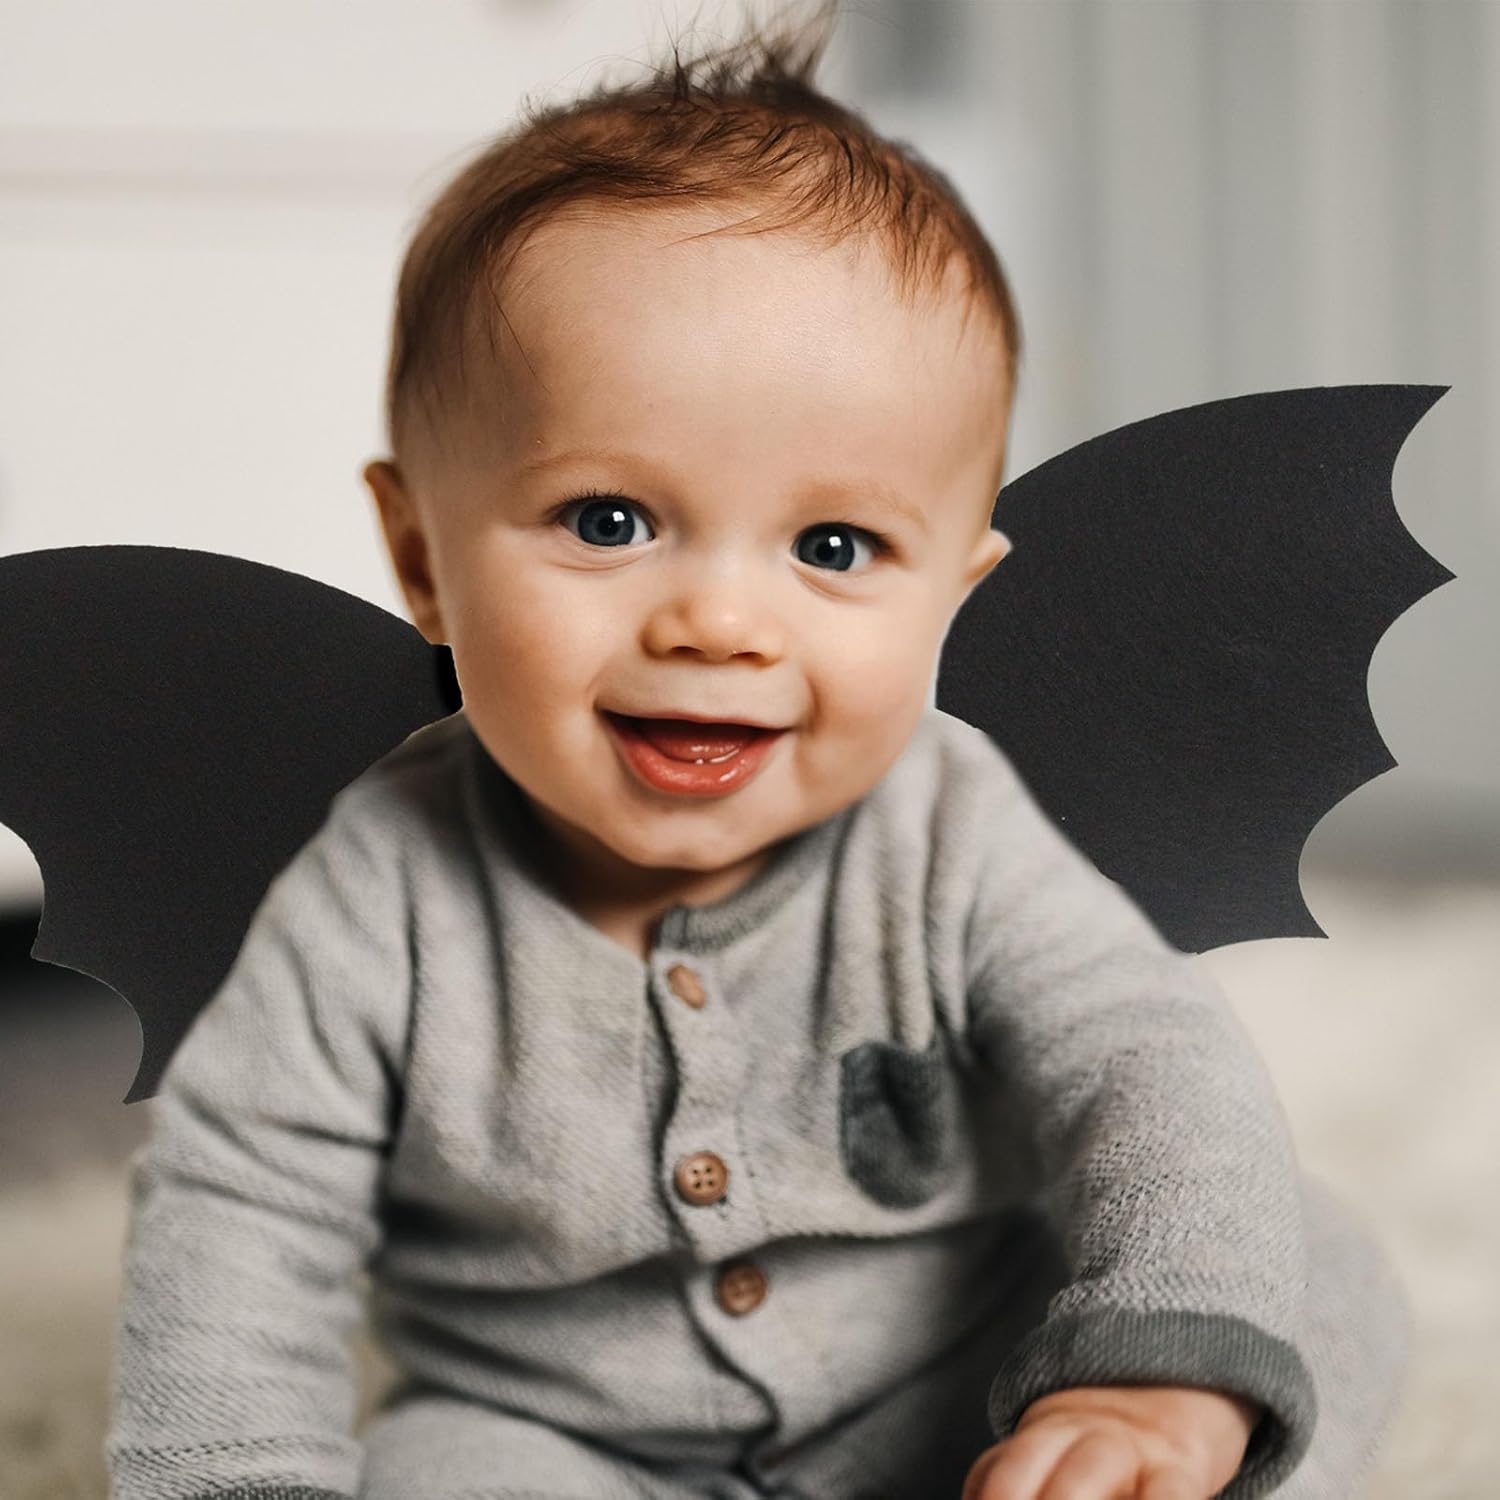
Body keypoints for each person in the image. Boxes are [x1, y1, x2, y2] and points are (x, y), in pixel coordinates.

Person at [106, 5, 1408, 1497]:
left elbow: (1143, 1057)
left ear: (954, 596)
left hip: (965, 1380)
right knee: (434, 1471)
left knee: (1304, 1270)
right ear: (422, 558)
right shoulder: (378, 890)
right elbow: (242, 1203)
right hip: (561, 1430)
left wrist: (1144, 1380)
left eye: (835, 546)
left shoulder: (949, 825)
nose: (721, 623)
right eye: (608, 521)